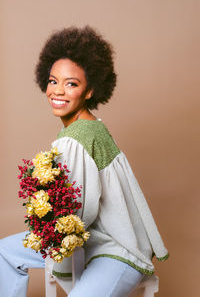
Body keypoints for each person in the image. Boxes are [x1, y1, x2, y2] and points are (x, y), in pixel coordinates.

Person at [0, 26, 169, 297]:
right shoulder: (90, 127)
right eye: (53, 81)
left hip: (116, 251)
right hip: (91, 243)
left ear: (90, 90)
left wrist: (42, 213)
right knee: (5, 252)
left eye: (71, 84)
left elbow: (78, 216)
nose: (57, 91)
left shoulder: (76, 138)